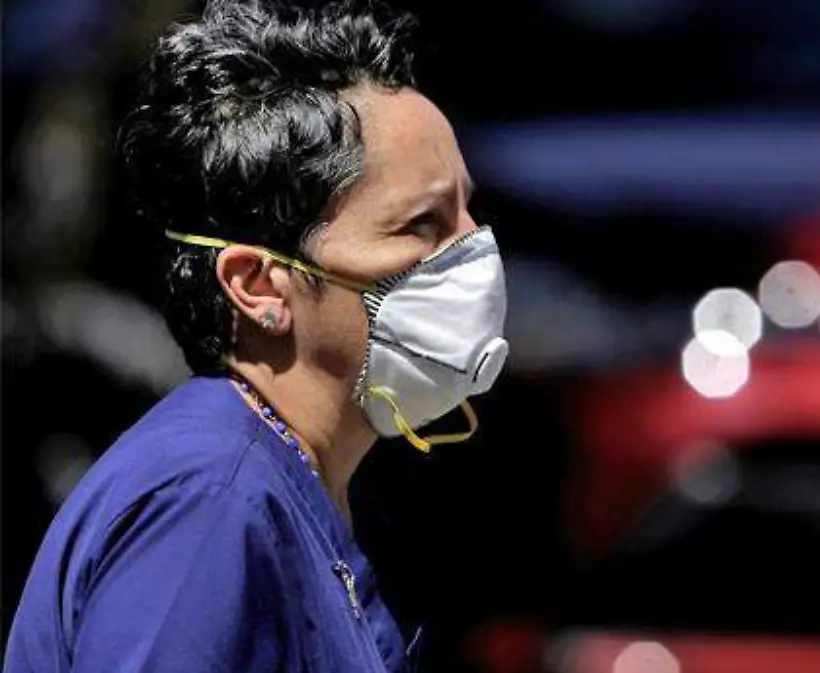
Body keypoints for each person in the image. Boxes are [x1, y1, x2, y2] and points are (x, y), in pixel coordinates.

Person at [4, 0, 508, 670]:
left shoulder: (303, 483)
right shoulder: (208, 503)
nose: (473, 250)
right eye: (422, 225)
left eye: (467, 211)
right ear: (258, 286)